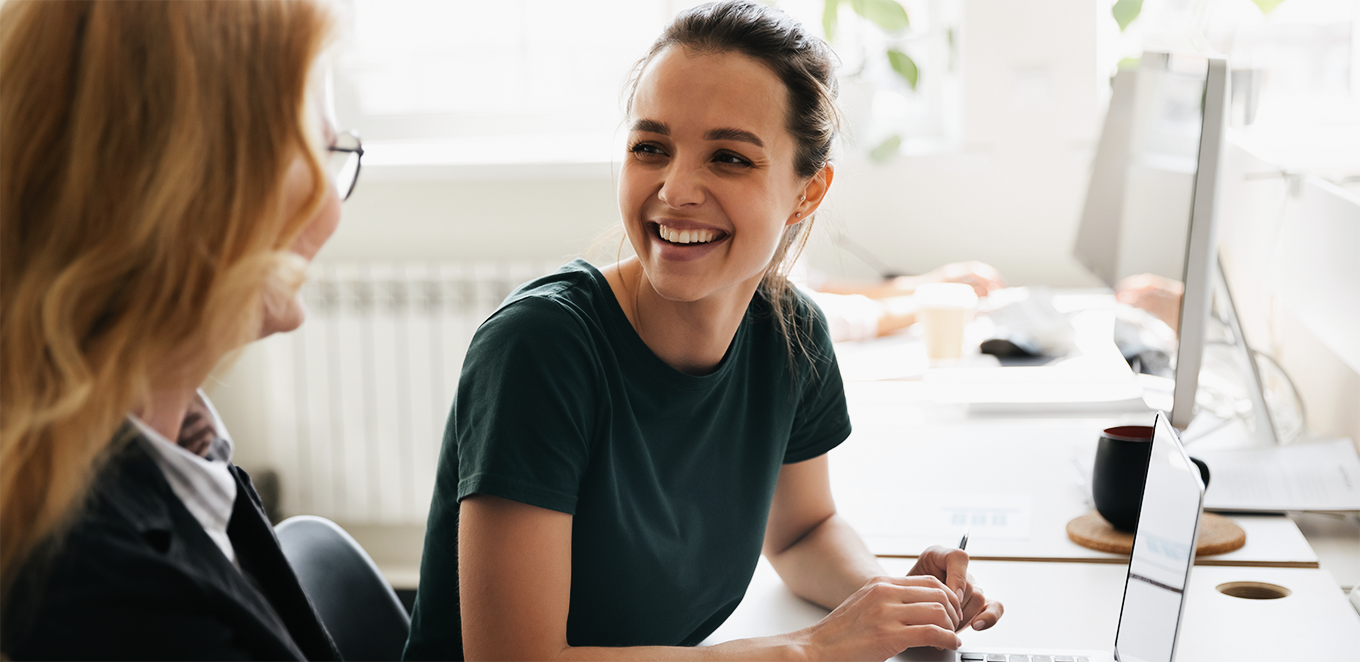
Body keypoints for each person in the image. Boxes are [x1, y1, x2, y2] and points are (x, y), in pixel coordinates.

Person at [403, 3, 1003, 661]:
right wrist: (809, 649)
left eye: (728, 157)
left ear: (807, 192)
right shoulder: (538, 350)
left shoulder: (790, 333)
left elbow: (803, 532)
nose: (676, 187)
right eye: (650, 147)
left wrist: (888, 600)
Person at [0, 0, 359, 659]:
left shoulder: (171, 451)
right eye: (317, 150)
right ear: (185, 183)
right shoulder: (108, 598)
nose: (332, 208)